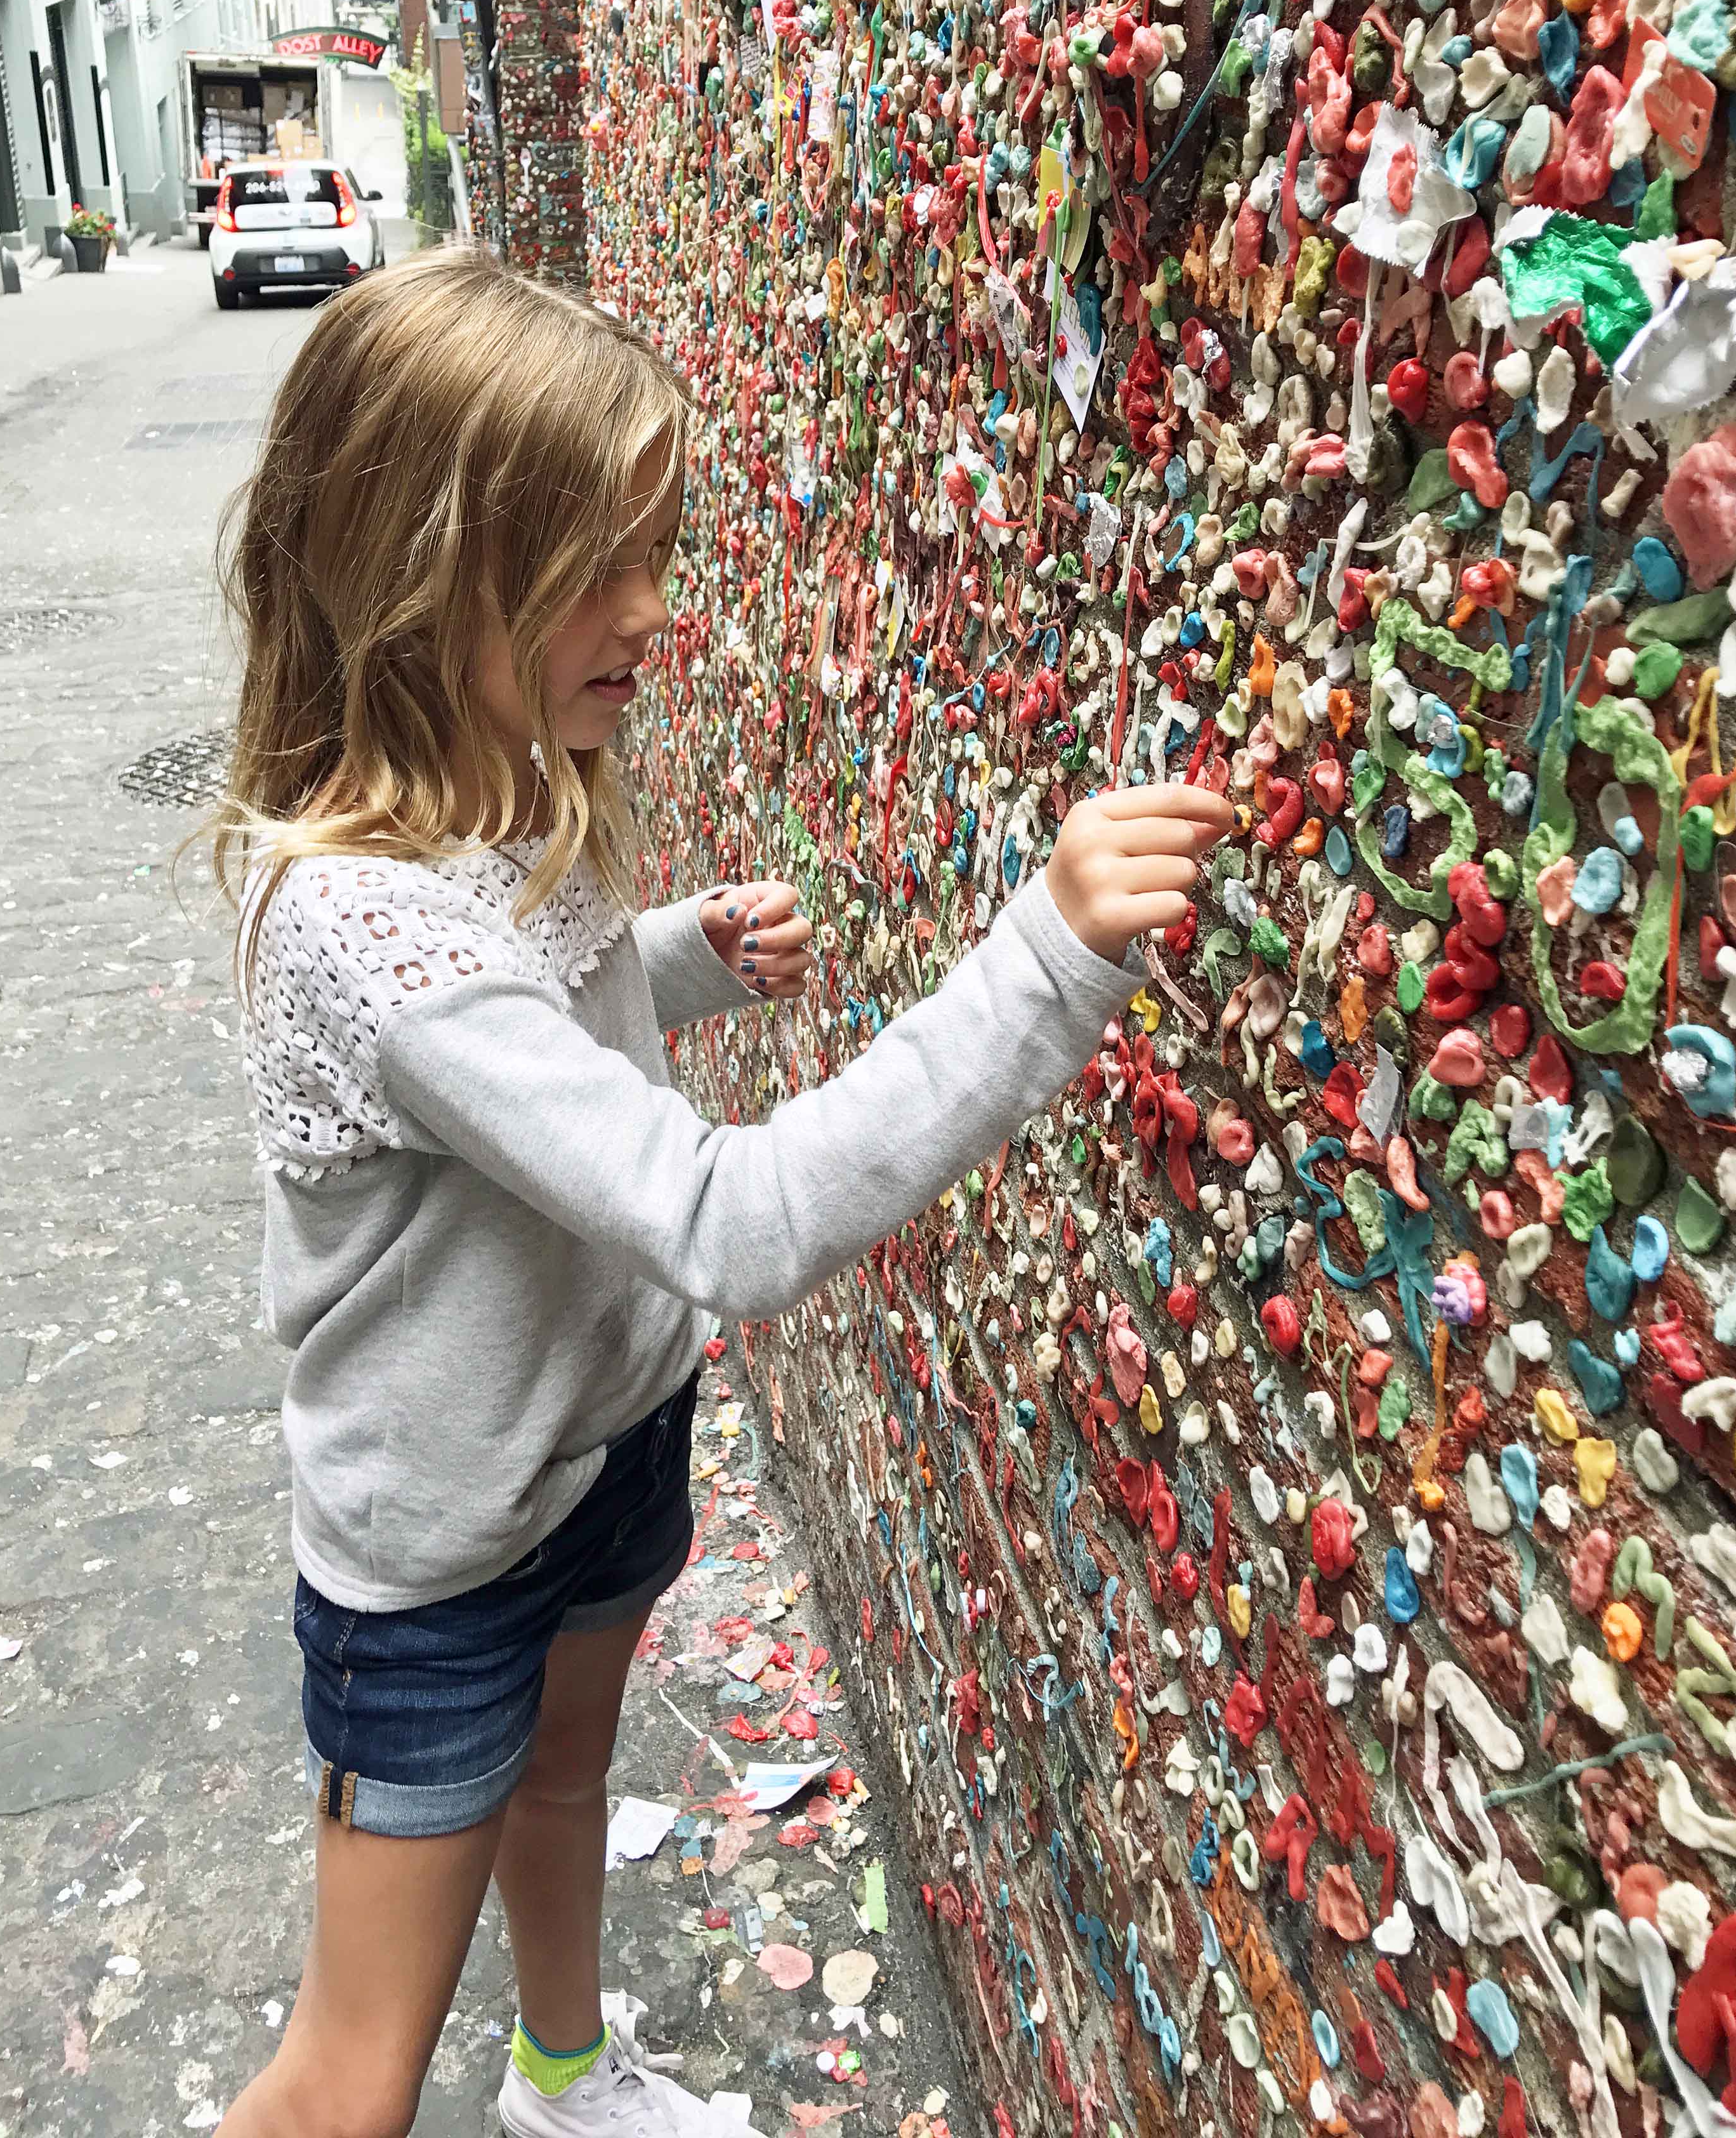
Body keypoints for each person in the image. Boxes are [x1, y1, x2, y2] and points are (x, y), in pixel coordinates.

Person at [206, 247, 1233, 2138]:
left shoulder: (507, 776)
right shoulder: (350, 916)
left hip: (606, 1448)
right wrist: (1044, 962)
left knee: (568, 1790)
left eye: (653, 552)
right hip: (433, 1565)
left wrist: (670, 952)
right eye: (597, 565)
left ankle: (566, 2080)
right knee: (349, 2071)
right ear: (421, 567)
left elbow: (519, 1019)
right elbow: (728, 1220)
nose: (652, 611)